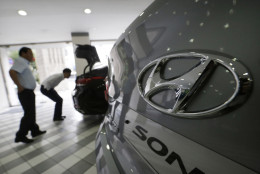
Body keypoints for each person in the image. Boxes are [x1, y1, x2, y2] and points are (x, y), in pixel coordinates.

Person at [9, 47, 46, 144]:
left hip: (28, 92)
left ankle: (35, 130)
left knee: (31, 114)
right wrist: (19, 86)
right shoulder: (21, 61)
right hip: (25, 93)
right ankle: (20, 135)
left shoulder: (24, 63)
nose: (32, 56)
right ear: (23, 54)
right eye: (30, 53)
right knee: (28, 115)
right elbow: (12, 72)